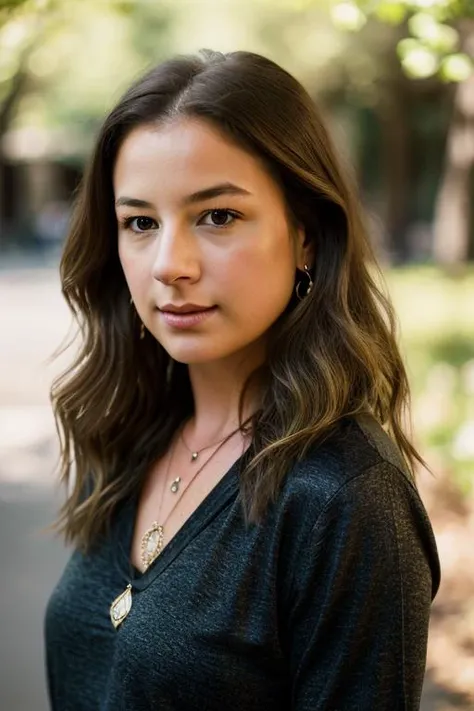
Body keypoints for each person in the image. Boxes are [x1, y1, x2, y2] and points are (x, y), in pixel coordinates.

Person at [44, 49, 440, 710]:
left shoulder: (342, 498)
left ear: (305, 235)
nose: (170, 264)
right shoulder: (128, 433)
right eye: (140, 223)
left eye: (218, 216)